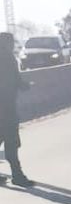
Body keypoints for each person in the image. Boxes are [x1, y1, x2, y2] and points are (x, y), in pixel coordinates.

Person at [0, 32, 32, 187]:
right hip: (6, 108)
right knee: (12, 142)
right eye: (11, 42)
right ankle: (17, 176)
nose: (13, 45)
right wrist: (27, 86)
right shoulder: (8, 59)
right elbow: (14, 81)